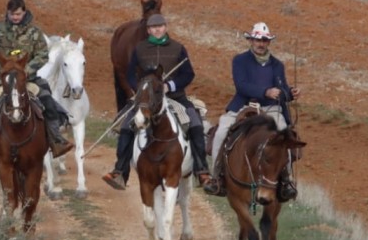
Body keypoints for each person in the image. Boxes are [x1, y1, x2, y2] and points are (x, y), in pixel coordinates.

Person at [102, 13, 212, 190]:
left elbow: (188, 74)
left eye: (160, 26)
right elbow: (130, 73)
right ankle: (120, 171)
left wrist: (171, 85)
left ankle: (202, 171)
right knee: (125, 125)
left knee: (196, 124)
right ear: (148, 30)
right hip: (147, 98)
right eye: (153, 28)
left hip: (174, 97)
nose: (157, 30)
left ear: (165, 27)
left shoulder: (178, 48)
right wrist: (141, 88)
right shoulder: (140, 49)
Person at [203, 21, 300, 200]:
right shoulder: (239, 60)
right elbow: (241, 86)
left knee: (283, 134)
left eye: (264, 40)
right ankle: (216, 177)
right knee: (222, 130)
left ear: (268, 42)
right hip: (243, 104)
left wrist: (290, 93)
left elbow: (282, 90)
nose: (260, 44)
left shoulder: (278, 65)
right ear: (251, 41)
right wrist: (265, 91)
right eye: (257, 40)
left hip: (270, 108)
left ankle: (286, 180)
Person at [0, 0, 74, 163]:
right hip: (1, 82)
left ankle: (57, 140)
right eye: (12, 14)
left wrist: (25, 70)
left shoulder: (34, 33)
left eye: (18, 14)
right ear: (8, 13)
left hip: (28, 80)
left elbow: (42, 55)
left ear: (24, 12)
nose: (15, 18)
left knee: (47, 101)